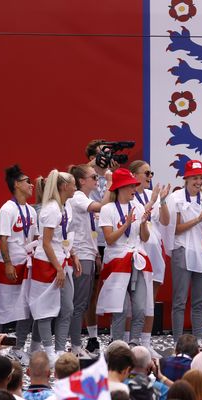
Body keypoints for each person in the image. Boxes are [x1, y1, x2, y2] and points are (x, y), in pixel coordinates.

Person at [96, 168, 153, 344]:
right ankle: (117, 343)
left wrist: (143, 224)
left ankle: (135, 342)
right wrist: (126, 224)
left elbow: (144, 238)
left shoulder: (138, 206)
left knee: (139, 307)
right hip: (117, 261)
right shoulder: (108, 209)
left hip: (137, 259)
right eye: (130, 186)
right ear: (120, 188)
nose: (134, 189)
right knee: (118, 308)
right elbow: (109, 239)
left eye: (134, 186)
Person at [28, 170, 78, 364]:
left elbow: (62, 238)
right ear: (64, 186)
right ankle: (48, 351)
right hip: (47, 263)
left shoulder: (64, 207)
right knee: (45, 309)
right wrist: (58, 267)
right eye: (73, 184)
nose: (75, 188)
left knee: (67, 308)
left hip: (61, 261)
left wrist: (72, 255)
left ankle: (57, 349)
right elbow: (46, 243)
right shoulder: (51, 209)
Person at [0, 165, 39, 363]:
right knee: (0, 309)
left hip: (26, 265)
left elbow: (34, 236)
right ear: (17, 184)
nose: (31, 184)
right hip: (6, 266)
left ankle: (18, 348)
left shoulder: (31, 211)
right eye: (27, 181)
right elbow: (2, 238)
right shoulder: (7, 209)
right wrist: (8, 263)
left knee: (25, 308)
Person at [167, 159, 202, 343]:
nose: (198, 181)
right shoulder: (176, 198)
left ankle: (196, 341)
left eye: (201, 177)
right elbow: (176, 229)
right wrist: (198, 219)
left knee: (199, 302)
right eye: (194, 178)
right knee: (180, 300)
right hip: (183, 250)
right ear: (186, 179)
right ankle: (177, 343)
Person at [66, 164, 107, 358]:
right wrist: (111, 183)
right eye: (93, 177)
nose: (96, 180)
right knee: (79, 303)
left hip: (89, 253)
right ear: (82, 181)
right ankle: (74, 345)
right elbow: (101, 207)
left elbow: (90, 229)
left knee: (83, 301)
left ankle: (76, 343)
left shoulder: (85, 197)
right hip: (81, 254)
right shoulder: (78, 197)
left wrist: (97, 254)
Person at [130, 160, 171, 351]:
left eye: (151, 173)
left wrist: (161, 200)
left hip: (155, 253)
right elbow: (138, 221)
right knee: (133, 302)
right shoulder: (127, 196)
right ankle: (129, 340)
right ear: (134, 175)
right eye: (146, 173)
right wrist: (153, 201)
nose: (150, 177)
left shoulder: (150, 194)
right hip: (137, 252)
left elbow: (165, 220)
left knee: (149, 301)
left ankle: (145, 343)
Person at [85, 139, 116, 355]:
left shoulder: (114, 174)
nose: (105, 157)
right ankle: (93, 337)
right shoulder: (84, 175)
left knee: (116, 288)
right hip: (93, 238)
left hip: (113, 237)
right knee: (91, 293)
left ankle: (116, 336)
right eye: (100, 153)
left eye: (107, 152)